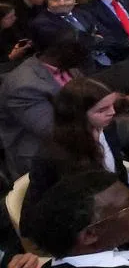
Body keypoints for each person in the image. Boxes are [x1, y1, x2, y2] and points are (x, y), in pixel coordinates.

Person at [24, 78, 129, 229]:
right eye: (102, 110)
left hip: (114, 207)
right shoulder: (57, 154)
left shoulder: (107, 128)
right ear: (78, 115)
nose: (112, 113)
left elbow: (115, 171)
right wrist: (126, 206)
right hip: (78, 225)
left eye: (112, 105)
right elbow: (74, 203)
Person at [0, 33, 89, 177]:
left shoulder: (69, 66)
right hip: (44, 153)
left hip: (86, 129)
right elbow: (52, 130)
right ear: (63, 52)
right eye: (83, 52)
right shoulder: (23, 86)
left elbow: (88, 97)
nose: (87, 56)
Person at [29, 0, 112, 67]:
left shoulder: (83, 13)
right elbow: (76, 45)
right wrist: (96, 39)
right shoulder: (41, 23)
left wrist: (94, 40)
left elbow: (108, 36)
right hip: (76, 70)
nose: (62, 3)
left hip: (107, 61)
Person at [0, 2, 34, 70]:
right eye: (10, 17)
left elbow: (18, 40)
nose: (15, 18)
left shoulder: (10, 28)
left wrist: (25, 44)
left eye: (14, 15)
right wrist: (10, 57)